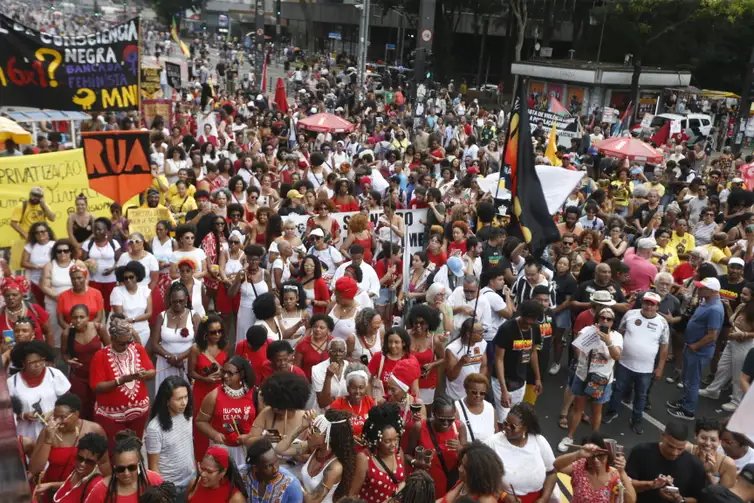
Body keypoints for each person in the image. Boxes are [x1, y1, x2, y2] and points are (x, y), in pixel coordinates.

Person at [603, 291, 669, 435]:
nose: (648, 306)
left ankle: (636, 419)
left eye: (652, 304)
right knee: (618, 389)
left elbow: (664, 347)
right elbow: (619, 333)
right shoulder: (630, 314)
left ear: (658, 307)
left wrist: (660, 367)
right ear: (642, 303)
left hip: (646, 369)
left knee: (641, 395)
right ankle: (612, 411)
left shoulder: (662, 323)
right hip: (624, 363)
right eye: (646, 303)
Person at [558, 307, 623, 452]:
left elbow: (617, 356)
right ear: (597, 319)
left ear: (613, 322)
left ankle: (595, 440)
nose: (605, 321)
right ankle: (569, 436)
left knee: (596, 411)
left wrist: (608, 341)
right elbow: (577, 352)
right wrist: (593, 337)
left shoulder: (617, 336)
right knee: (578, 408)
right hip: (583, 376)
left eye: (609, 319)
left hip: (602, 379)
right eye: (602, 318)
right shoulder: (587, 331)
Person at [28, 393, 109, 502]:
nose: (57, 422)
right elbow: (34, 469)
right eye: (55, 417)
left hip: (79, 490)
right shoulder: (48, 431)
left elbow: (104, 464)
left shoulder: (94, 429)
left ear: (76, 414)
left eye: (62, 417)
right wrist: (48, 440)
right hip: (49, 488)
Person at [90, 315, 155, 449]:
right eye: (122, 343)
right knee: (115, 451)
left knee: (134, 449)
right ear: (112, 339)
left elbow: (152, 372)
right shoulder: (100, 356)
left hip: (139, 414)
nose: (126, 346)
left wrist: (144, 374)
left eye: (128, 341)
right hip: (111, 417)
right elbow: (96, 386)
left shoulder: (137, 349)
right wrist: (120, 381)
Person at [668, 277, 724, 421]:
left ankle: (688, 410)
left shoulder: (715, 309)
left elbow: (712, 336)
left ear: (712, 291)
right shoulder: (706, 302)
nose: (698, 289)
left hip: (699, 351)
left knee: (693, 380)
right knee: (687, 378)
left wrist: (695, 346)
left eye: (702, 288)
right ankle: (686, 401)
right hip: (692, 348)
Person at [274, 409, 357, 503]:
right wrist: (302, 427)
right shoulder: (310, 447)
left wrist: (293, 482)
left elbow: (312, 501)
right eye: (311, 427)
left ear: (328, 438)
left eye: (316, 430)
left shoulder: (335, 468)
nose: (310, 431)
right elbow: (280, 449)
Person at [483, 403, 557, 503]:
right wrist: (503, 495)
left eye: (513, 427)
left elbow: (551, 472)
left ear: (525, 428)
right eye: (505, 423)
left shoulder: (538, 440)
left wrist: (544, 498)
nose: (507, 428)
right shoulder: (492, 443)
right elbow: (480, 474)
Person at [699, 282, 754, 412]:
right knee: (723, 367)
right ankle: (713, 390)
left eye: (745, 294)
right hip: (733, 341)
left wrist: (744, 334)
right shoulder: (742, 306)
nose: (742, 296)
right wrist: (728, 307)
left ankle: (736, 401)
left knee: (738, 373)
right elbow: (732, 321)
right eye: (742, 293)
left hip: (745, 345)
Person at [196, 356, 256, 471]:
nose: (225, 376)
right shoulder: (213, 395)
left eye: (230, 373)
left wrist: (251, 436)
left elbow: (262, 422)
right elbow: (200, 421)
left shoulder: (254, 394)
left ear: (242, 374)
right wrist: (214, 434)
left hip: (247, 448)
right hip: (222, 449)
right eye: (224, 371)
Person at [626, 421, 706, 503]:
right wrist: (651, 484)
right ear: (663, 436)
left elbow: (697, 499)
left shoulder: (695, 465)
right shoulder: (641, 452)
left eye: (680, 449)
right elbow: (626, 484)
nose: (674, 453)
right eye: (670, 446)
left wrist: (680, 500)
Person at [491, 300, 543, 425]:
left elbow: (533, 352)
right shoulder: (506, 329)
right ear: (521, 315)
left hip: (520, 379)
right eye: (526, 321)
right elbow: (499, 359)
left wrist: (537, 378)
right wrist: (503, 390)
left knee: (514, 413)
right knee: (505, 418)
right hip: (503, 380)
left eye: (532, 321)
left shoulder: (535, 328)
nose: (529, 324)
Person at [406, 396, 468, 498]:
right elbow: (407, 454)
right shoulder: (419, 427)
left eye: (450, 419)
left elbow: (467, 459)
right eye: (442, 419)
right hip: (426, 485)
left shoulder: (459, 427)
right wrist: (415, 462)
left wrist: (460, 448)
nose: (446, 423)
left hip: (451, 485)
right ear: (434, 414)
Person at [145, 376, 196, 501]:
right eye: (179, 399)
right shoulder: (154, 428)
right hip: (171, 488)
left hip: (191, 479)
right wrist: (162, 492)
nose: (184, 402)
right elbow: (154, 466)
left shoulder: (187, 415)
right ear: (167, 401)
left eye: (186, 397)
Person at [8, 340, 70, 439]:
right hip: (27, 434)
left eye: (41, 360)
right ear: (23, 363)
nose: (38, 365)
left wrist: (53, 413)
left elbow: (68, 401)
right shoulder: (12, 383)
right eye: (32, 362)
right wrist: (24, 415)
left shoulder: (54, 374)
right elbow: (7, 414)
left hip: (55, 430)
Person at [188, 314, 228, 461]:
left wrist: (224, 375)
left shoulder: (225, 346)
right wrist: (205, 378)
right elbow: (190, 372)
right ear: (205, 333)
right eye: (213, 332)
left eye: (219, 331)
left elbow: (228, 367)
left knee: (218, 423)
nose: (217, 335)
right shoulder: (196, 349)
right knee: (201, 426)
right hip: (201, 390)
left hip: (219, 389)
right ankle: (201, 459)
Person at [553, 433, 636, 503]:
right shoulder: (579, 468)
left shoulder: (616, 476)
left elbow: (631, 500)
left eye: (601, 456)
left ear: (608, 456)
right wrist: (577, 454)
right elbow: (557, 465)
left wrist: (622, 472)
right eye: (592, 456)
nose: (596, 460)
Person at [84, 430, 164, 502]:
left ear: (139, 464)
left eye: (131, 467)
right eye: (120, 469)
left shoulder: (154, 481)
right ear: (114, 467)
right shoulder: (101, 491)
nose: (126, 473)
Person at [350, 402, 407, 503]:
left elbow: (402, 481)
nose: (393, 445)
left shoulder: (398, 452)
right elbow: (352, 495)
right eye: (387, 441)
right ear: (376, 441)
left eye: (396, 439)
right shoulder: (364, 459)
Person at [150, 282, 201, 392]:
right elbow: (154, 344)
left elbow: (199, 343)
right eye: (174, 301)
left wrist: (180, 357)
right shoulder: (162, 316)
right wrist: (170, 357)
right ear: (170, 300)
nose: (177, 304)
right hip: (165, 362)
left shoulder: (194, 316)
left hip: (187, 362)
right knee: (166, 395)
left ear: (186, 299)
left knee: (185, 396)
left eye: (181, 301)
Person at [42, 432, 108, 503]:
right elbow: (72, 487)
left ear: (97, 462)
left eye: (89, 461)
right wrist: (50, 485)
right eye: (80, 458)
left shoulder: (95, 486)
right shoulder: (77, 470)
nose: (82, 464)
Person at [250, 372, 310, 445]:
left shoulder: (307, 419)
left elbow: (310, 453)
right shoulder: (267, 413)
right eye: (273, 407)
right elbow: (249, 441)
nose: (275, 410)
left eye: (279, 408)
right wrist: (263, 439)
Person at [442, 441, 512, 503]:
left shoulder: (486, 501)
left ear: (478, 474)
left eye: (464, 467)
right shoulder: (463, 482)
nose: (459, 469)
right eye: (461, 463)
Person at [40, 239, 79, 349]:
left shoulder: (77, 264)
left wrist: (71, 299)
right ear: (55, 253)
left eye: (66, 251)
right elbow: (44, 286)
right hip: (53, 303)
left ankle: (74, 347)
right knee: (54, 328)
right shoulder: (49, 265)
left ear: (71, 252)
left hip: (74, 303)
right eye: (59, 251)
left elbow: (84, 283)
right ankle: (55, 352)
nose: (62, 253)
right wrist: (60, 298)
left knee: (74, 326)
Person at [230, 244, 270, 345]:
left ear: (260, 260)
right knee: (244, 337)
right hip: (245, 312)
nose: (253, 262)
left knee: (260, 338)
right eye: (250, 259)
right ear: (246, 259)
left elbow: (270, 295)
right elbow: (231, 294)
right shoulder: (242, 274)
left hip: (261, 312)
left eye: (255, 259)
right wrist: (239, 280)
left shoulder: (265, 274)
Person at [245, 437, 304, 503]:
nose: (275, 469)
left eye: (276, 462)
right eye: (269, 466)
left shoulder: (292, 486)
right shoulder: (243, 474)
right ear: (255, 468)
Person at [81, 217, 122, 311]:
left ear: (106, 231)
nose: (96, 231)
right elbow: (82, 261)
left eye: (99, 229)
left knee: (109, 305)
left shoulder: (114, 243)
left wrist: (112, 269)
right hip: (93, 281)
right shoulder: (88, 244)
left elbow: (120, 261)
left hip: (110, 281)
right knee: (94, 305)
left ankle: (108, 324)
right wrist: (89, 264)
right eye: (95, 229)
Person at [685, 418, 737, 488]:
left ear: (719, 442)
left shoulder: (728, 464)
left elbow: (724, 496)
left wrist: (709, 473)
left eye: (713, 440)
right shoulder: (686, 450)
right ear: (696, 436)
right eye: (703, 438)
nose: (708, 443)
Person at [445, 318, 488, 402]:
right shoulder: (452, 348)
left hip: (474, 395)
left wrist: (479, 382)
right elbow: (451, 377)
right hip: (457, 396)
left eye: (483, 331)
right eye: (480, 332)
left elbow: (483, 366)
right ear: (468, 334)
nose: (483, 334)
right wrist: (461, 363)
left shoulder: (482, 343)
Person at [0, 275, 51, 344]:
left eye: (14, 295)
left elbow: (49, 332)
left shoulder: (35, 309)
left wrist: (49, 353)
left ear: (22, 295)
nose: (11, 298)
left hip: (37, 353)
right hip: (9, 354)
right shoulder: (1, 313)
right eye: (7, 295)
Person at [111, 262, 153, 345]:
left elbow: (149, 313)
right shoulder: (117, 291)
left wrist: (133, 319)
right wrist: (135, 334)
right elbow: (120, 317)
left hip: (144, 331)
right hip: (124, 332)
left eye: (131, 277)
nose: (128, 280)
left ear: (137, 277)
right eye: (125, 278)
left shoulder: (145, 290)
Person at [330, 363, 375, 437]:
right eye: (353, 387)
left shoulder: (370, 402)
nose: (357, 391)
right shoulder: (338, 404)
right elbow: (332, 432)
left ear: (365, 388)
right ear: (347, 388)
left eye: (361, 388)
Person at [56, 265, 105, 334]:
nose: (76, 281)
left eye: (79, 278)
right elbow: (60, 320)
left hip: (92, 332)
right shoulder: (62, 296)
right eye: (73, 278)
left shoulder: (96, 293)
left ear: (85, 277)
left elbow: (99, 317)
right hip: (71, 333)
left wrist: (87, 330)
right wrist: (72, 331)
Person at [454, 373, 496, 442]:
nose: (478, 396)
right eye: (474, 392)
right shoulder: (456, 408)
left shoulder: (490, 408)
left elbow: (496, 432)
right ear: (466, 390)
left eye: (482, 393)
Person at [22, 221, 55, 305]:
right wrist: (38, 267)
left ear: (48, 232)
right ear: (34, 235)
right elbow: (23, 263)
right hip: (36, 282)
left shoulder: (55, 245)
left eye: (43, 231)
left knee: (54, 304)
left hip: (53, 281)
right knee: (40, 305)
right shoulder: (30, 246)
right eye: (36, 232)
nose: (40, 234)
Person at [312, 339, 350, 409]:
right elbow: (322, 403)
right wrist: (328, 376)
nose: (338, 354)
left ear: (345, 353)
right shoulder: (317, 369)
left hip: (346, 413)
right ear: (328, 352)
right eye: (334, 351)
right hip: (324, 414)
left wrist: (333, 399)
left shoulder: (350, 368)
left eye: (341, 351)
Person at [294, 312, 332, 380]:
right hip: (307, 383)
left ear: (328, 330)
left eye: (322, 328)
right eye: (315, 326)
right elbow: (297, 368)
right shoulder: (302, 345)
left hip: (329, 382)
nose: (317, 329)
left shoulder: (333, 343)